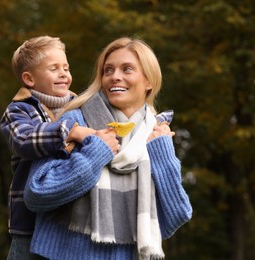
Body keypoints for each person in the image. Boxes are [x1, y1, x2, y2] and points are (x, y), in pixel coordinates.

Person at [24, 37, 193, 259]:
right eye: (108, 70)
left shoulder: (156, 133)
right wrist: (96, 154)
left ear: (149, 81)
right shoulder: (75, 122)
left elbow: (177, 214)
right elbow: (37, 193)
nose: (115, 76)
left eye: (127, 69)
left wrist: (162, 153)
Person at [0, 35, 95, 260]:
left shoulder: (81, 106)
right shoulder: (19, 110)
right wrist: (68, 132)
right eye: (54, 68)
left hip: (72, 221)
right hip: (30, 225)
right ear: (29, 79)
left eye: (66, 67)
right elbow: (24, 140)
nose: (64, 73)